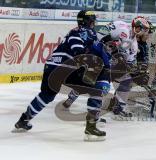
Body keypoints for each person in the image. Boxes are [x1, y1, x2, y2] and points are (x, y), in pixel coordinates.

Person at [12, 10, 130, 141]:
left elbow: (84, 50)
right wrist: (104, 60)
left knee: (46, 96)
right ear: (90, 22)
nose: (94, 24)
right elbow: (80, 52)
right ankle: (91, 125)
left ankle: (23, 120)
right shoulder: (85, 32)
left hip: (50, 67)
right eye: (93, 21)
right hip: (66, 68)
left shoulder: (77, 31)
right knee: (100, 83)